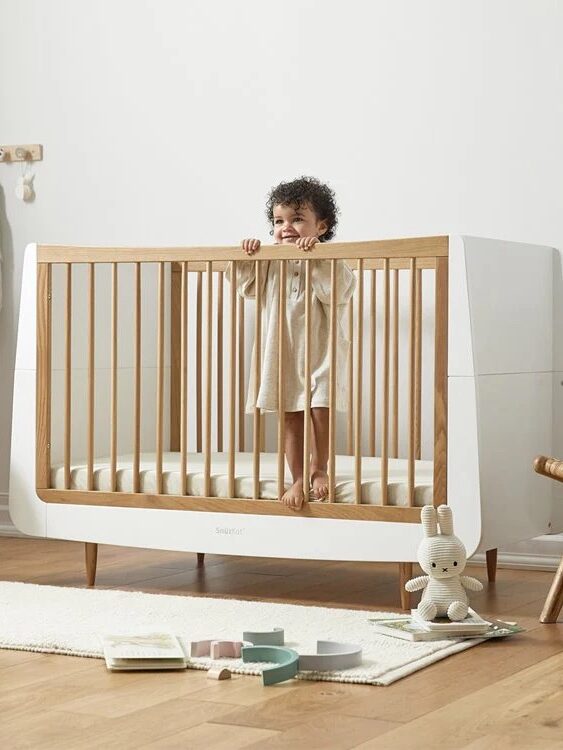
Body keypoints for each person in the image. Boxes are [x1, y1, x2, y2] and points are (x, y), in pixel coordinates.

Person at [231, 176, 356, 510]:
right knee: (290, 415)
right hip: (282, 351)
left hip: (321, 351)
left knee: (319, 408)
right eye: (278, 221)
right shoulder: (271, 260)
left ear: (322, 226)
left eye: (297, 219)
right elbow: (246, 286)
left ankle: (320, 469)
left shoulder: (333, 259)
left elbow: (337, 291)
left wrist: (315, 259)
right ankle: (298, 476)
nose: (286, 227)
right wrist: (247, 255)